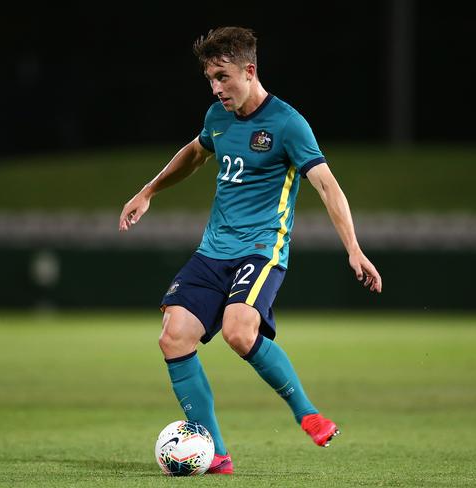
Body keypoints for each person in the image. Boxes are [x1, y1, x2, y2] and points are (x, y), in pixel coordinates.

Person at [119, 26, 382, 475]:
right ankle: (216, 454)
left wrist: (354, 249)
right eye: (210, 80)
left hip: (261, 249)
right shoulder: (217, 118)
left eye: (223, 77)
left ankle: (307, 413)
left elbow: (327, 186)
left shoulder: (288, 123)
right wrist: (149, 190)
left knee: (239, 331)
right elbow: (194, 153)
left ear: (249, 70)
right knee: (173, 336)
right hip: (213, 250)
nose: (217, 88)